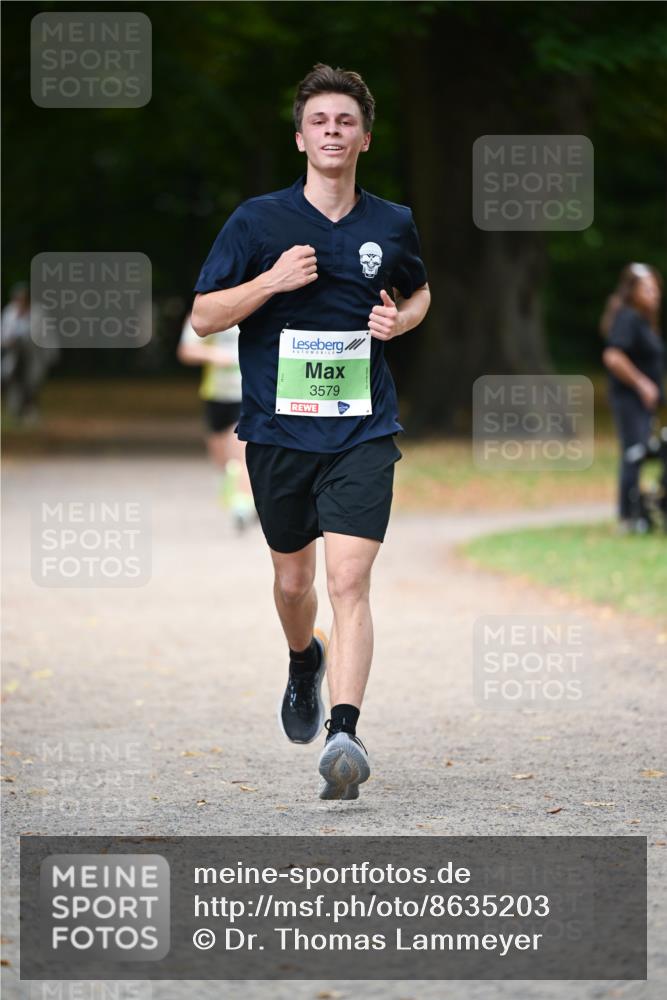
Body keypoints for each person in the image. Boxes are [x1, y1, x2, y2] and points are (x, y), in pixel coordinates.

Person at [191, 63, 431, 800]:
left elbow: (420, 291)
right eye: (319, 121)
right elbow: (203, 317)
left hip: (362, 430)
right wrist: (269, 283)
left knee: (348, 581)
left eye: (345, 121)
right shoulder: (257, 222)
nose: (332, 131)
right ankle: (303, 661)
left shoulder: (390, 222)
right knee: (294, 582)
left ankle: (345, 734)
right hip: (277, 435)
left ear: (363, 138)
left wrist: (401, 318)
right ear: (301, 139)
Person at [601, 263, 666, 530]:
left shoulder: (644, 321)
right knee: (634, 452)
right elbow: (612, 356)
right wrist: (642, 384)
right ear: (632, 291)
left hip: (642, 403)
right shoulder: (628, 318)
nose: (654, 294)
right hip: (629, 400)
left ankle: (639, 510)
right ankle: (628, 516)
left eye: (656, 288)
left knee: (639, 452)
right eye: (647, 288)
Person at [177, 312, 255, 530]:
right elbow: (186, 351)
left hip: (244, 394)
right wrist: (215, 355)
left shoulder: (258, 308)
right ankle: (235, 492)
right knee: (220, 458)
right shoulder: (208, 313)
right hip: (215, 395)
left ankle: (243, 504)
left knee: (240, 452)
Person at [1, 282, 57, 423]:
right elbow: (3, 336)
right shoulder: (9, 312)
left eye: (23, 298)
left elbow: (48, 336)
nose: (20, 301)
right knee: (14, 382)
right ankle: (15, 412)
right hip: (14, 354)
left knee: (32, 383)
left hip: (34, 355)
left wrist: (51, 355)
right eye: (18, 299)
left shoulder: (38, 313)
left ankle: (30, 411)